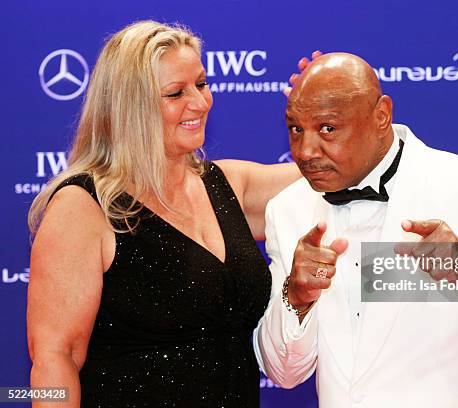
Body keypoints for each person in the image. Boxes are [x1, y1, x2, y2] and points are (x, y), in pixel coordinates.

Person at [254, 53, 458, 407]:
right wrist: (296, 299)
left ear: (381, 115)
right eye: (296, 129)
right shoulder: (288, 209)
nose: (305, 151)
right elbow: (284, 374)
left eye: (328, 128)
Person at [27, 21, 300, 407]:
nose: (200, 103)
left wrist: (325, 104)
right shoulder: (83, 206)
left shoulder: (227, 185)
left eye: (201, 85)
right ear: (129, 106)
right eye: (176, 93)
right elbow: (56, 359)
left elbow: (339, 172)